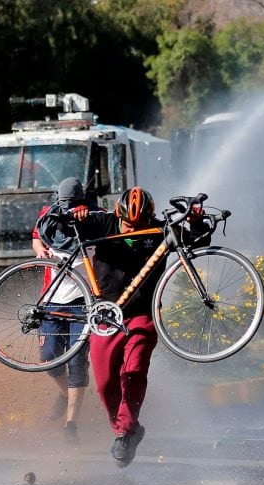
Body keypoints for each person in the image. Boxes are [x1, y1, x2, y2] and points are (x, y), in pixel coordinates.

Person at [67, 186, 209, 467]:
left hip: (142, 315)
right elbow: (59, 226)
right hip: (106, 317)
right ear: (117, 213)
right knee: (106, 383)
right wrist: (76, 214)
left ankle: (125, 432)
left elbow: (197, 241)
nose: (132, 228)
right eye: (127, 224)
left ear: (149, 218)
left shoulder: (160, 229)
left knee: (133, 373)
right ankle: (124, 427)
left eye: (138, 224)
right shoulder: (103, 222)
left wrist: (194, 221)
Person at [32, 177, 101, 444]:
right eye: (64, 204)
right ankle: (64, 393)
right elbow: (36, 237)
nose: (69, 207)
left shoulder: (97, 215)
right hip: (52, 300)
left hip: (84, 304)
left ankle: (70, 424)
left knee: (77, 364)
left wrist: (87, 216)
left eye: (73, 204)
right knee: (48, 359)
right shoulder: (48, 215)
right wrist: (40, 252)